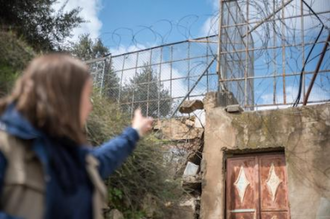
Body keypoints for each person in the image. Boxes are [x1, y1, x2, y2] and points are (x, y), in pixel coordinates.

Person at [0, 54, 153, 219]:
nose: (90, 106)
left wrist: (135, 132)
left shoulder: (72, 156)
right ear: (63, 98)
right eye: (87, 96)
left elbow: (103, 159)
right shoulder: (5, 146)